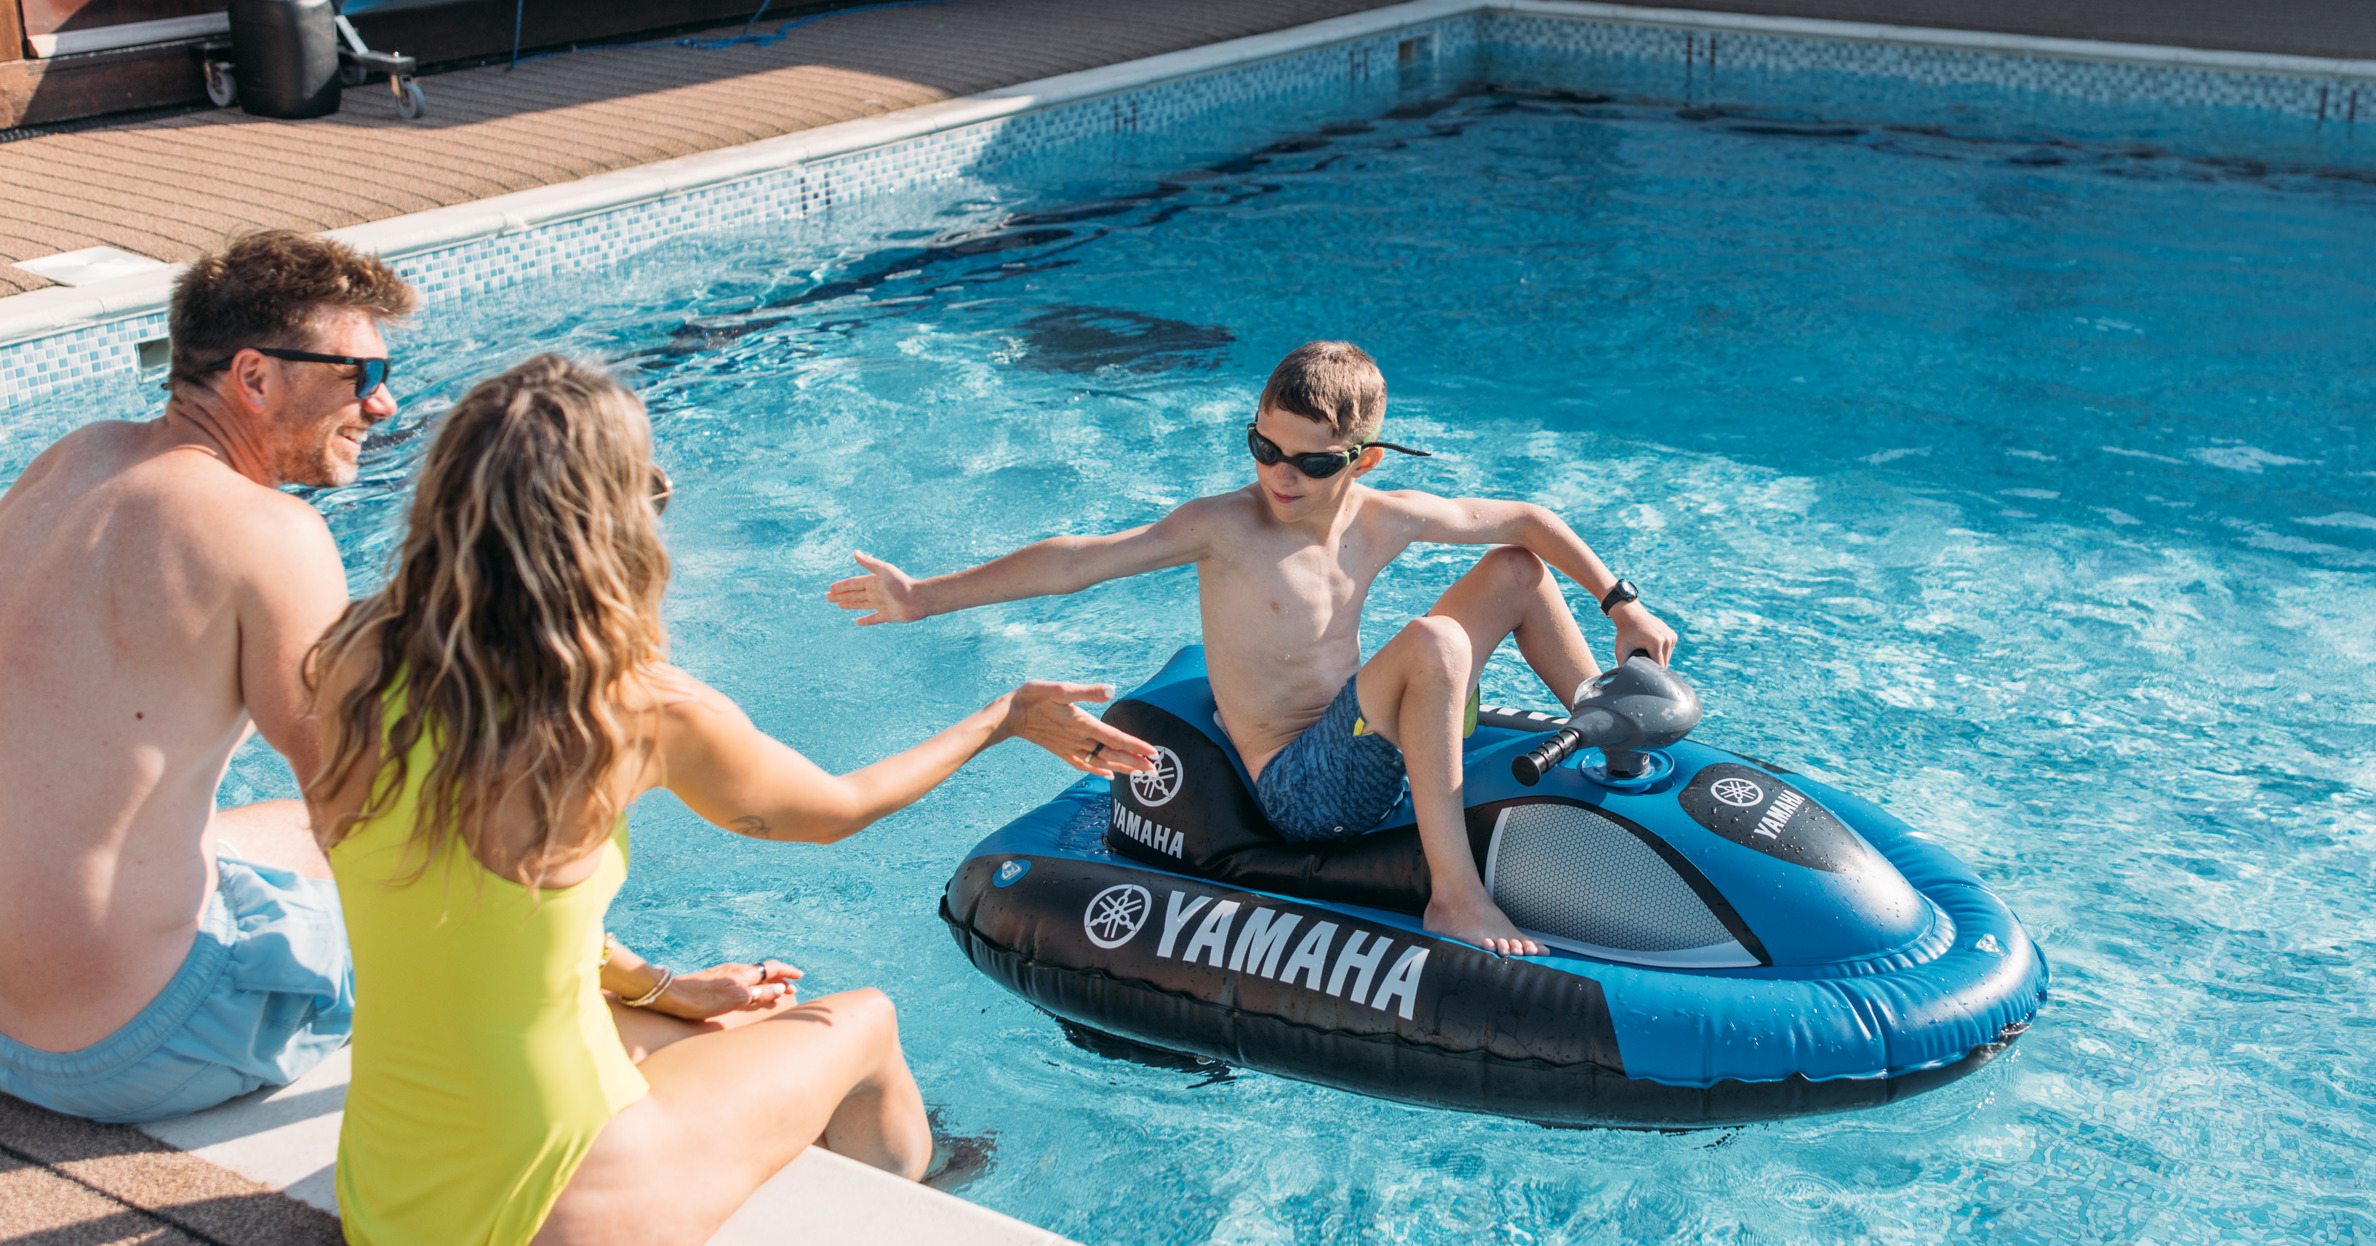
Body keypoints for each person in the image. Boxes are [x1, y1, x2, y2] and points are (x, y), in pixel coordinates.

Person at [304, 354, 1155, 1244]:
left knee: (739, 1027)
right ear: (610, 528)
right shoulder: (632, 707)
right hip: (546, 1208)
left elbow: (484, 910)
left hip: (388, 1200)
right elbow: (839, 809)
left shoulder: (356, 657)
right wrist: (1001, 719)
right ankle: (924, 1194)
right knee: (864, 1023)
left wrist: (661, 988)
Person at [831, 340, 1678, 955]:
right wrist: (925, 596)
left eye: (1310, 463)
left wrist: (1622, 605)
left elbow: (1528, 520)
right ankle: (1455, 898)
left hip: (1365, 740)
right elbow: (1075, 561)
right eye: (1265, 449)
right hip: (1301, 789)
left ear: (1362, 462)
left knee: (1515, 571)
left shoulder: (1385, 518)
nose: (1280, 476)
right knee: (1432, 643)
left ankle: (1605, 725)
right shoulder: (1225, 527)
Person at [0, 231, 406, 1122]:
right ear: (254, 377)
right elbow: (363, 808)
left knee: (282, 828)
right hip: (128, 1047)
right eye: (363, 375)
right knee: (428, 870)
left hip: (7, 1023)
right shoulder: (270, 534)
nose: (383, 404)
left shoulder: (72, 458)